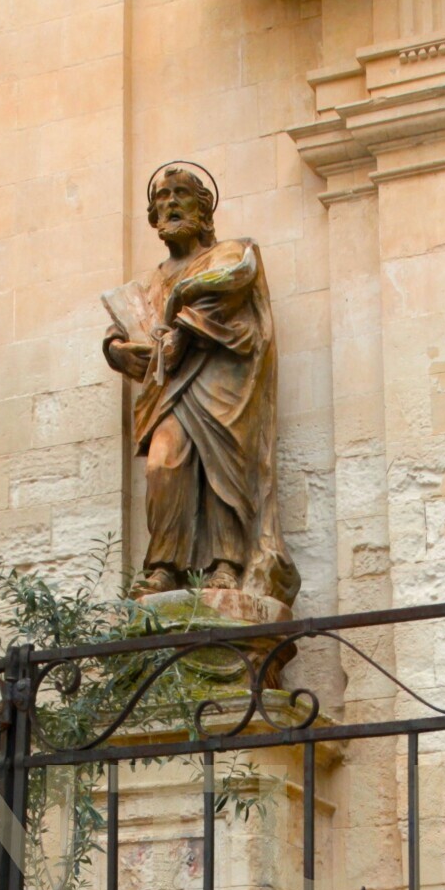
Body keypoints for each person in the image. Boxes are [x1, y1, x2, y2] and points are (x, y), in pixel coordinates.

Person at [101, 163, 296, 608]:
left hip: (221, 380)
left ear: (204, 209)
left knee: (220, 467)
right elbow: (125, 323)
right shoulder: (149, 281)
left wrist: (184, 329)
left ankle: (227, 562)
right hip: (168, 388)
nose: (170, 203)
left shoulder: (231, 252)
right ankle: (163, 567)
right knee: (162, 465)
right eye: (162, 197)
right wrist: (116, 350)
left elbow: (231, 301)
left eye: (181, 194)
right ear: (153, 216)